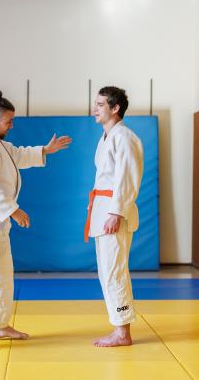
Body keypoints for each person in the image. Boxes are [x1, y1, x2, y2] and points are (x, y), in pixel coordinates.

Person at [0, 90, 72, 352]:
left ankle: (0, 325)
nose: (12, 126)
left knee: (2, 275)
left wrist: (46, 150)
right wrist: (13, 210)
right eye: (9, 122)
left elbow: (18, 155)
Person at [84, 86, 144, 347]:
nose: (94, 109)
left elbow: (128, 178)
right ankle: (119, 327)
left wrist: (116, 211)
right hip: (103, 209)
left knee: (115, 271)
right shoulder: (106, 136)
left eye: (99, 104)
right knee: (107, 271)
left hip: (113, 212)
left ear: (115, 108)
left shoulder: (124, 137)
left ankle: (122, 332)